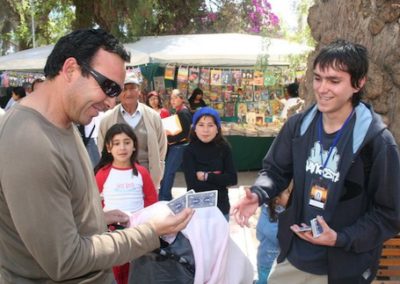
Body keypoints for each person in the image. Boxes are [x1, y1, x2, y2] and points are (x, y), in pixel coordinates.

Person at [0, 28, 193, 283]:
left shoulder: (63, 122)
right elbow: (65, 260)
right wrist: (151, 233)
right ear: (70, 70)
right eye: (108, 87)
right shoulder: (30, 142)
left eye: (118, 90)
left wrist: (95, 218)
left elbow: (53, 216)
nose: (112, 102)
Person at [232, 39, 400, 283]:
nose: (322, 88)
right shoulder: (298, 126)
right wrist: (258, 193)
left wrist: (341, 238)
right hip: (295, 258)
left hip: (346, 267)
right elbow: (275, 170)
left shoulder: (376, 142)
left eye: (334, 80)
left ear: (358, 83)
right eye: (318, 78)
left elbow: (389, 214)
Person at [95, 123, 158, 284]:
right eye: (116, 143)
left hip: (137, 234)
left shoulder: (142, 173)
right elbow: (94, 203)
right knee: (115, 274)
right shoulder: (102, 174)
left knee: (137, 273)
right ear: (108, 148)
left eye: (127, 142)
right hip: (112, 237)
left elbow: (152, 202)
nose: (122, 147)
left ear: (134, 146)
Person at [98, 73, 167, 189]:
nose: (128, 93)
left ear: (139, 91)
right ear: (118, 92)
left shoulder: (153, 117)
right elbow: (103, 149)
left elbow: (161, 147)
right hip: (118, 179)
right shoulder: (107, 119)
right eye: (124, 89)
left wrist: (158, 170)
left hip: (148, 177)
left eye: (132, 88)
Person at [182, 107, 237, 220]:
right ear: (194, 128)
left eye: (210, 125)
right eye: (201, 125)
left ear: (217, 128)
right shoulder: (189, 150)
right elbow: (193, 185)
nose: (205, 130)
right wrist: (219, 178)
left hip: (221, 208)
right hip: (197, 209)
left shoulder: (224, 147)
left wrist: (207, 176)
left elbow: (232, 179)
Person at [159, 89, 192, 201]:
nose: (172, 101)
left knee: (169, 171)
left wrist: (170, 138)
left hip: (179, 146)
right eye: (171, 98)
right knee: (171, 171)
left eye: (175, 98)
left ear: (181, 99)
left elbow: (186, 133)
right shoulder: (180, 111)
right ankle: (165, 195)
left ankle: (164, 196)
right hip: (179, 145)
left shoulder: (183, 112)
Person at [256, 185, 291, 284]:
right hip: (267, 262)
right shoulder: (267, 218)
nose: (290, 195)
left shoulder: (283, 211)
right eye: (287, 193)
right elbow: (279, 238)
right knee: (265, 281)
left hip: (278, 261)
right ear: (277, 200)